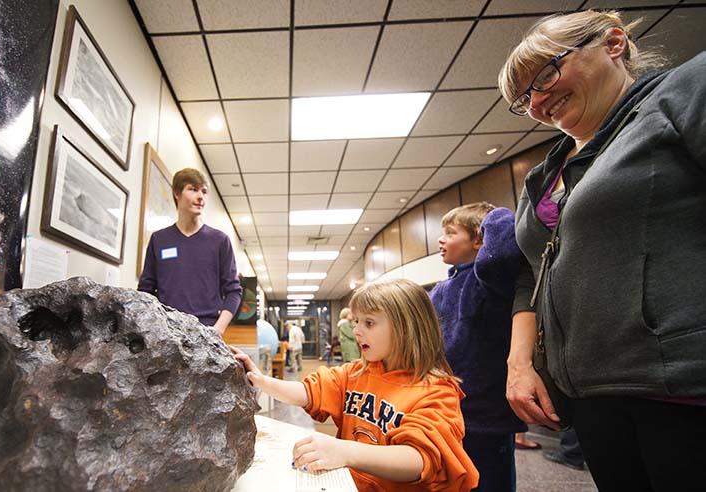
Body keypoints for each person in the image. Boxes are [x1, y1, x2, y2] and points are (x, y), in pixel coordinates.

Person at [498, 10, 706, 491]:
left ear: (613, 43)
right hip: (590, 392)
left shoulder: (679, 95)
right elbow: (531, 275)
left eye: (546, 75)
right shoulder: (542, 175)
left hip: (677, 387)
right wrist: (520, 364)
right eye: (524, 97)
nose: (538, 100)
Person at [231, 279, 479, 491]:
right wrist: (261, 380)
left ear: (406, 328)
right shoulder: (355, 373)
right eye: (356, 321)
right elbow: (309, 392)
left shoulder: (436, 391)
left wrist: (345, 451)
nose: (357, 331)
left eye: (368, 323)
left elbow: (420, 458)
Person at [429, 203, 526, 492]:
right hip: (447, 409)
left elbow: (504, 253)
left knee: (490, 482)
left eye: (451, 232)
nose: (441, 239)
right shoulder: (442, 288)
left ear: (479, 239)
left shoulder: (490, 280)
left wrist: (493, 215)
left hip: (487, 413)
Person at [138, 168, 242, 335]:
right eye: (193, 189)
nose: (201, 196)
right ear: (177, 194)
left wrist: (217, 330)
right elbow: (145, 291)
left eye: (204, 191)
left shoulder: (220, 240)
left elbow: (234, 291)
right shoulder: (159, 239)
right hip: (167, 333)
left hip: (207, 332)